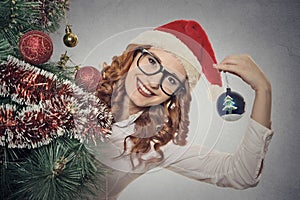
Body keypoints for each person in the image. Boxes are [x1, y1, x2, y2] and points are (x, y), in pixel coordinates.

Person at [90, 19, 273, 200]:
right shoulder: (78, 89)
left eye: (171, 80)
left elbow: (240, 174)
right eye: (152, 62)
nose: (154, 82)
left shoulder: (154, 144)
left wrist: (263, 90)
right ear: (134, 55)